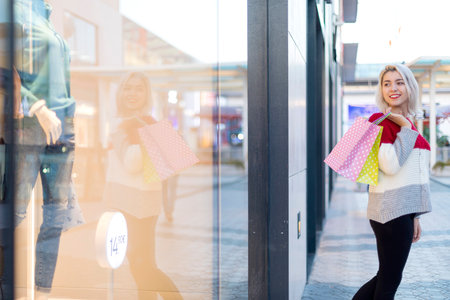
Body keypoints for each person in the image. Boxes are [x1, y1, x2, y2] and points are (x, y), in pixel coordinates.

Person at [0, 0, 84, 299]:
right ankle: (6, 287)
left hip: (62, 129)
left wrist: (71, 120)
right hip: (31, 128)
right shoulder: (15, 9)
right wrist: (36, 105)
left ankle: (41, 288)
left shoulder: (49, 19)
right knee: (14, 213)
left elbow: (65, 83)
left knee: (56, 215)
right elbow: (2, 68)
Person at [353, 64, 432, 299]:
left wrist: (415, 215)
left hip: (402, 211)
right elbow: (390, 164)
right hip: (390, 211)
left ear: (410, 86)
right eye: (387, 83)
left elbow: (413, 174)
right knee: (389, 280)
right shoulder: (382, 120)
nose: (393, 88)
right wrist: (406, 129)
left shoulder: (406, 121)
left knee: (386, 276)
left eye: (399, 82)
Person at [103, 72, 183, 300]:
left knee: (143, 266)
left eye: (138, 89)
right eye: (128, 88)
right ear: (120, 92)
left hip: (140, 203)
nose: (132, 94)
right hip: (126, 201)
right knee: (141, 266)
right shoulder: (135, 122)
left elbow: (132, 162)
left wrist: (145, 134)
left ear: (147, 93)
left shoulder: (141, 122)